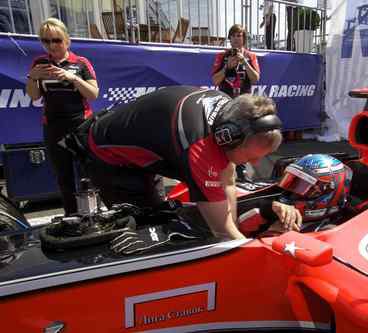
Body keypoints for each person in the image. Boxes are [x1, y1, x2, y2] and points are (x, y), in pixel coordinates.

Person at [65, 86, 301, 240]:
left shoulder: (230, 113)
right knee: (149, 233)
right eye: (251, 158)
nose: (255, 163)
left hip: (144, 148)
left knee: (166, 215)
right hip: (111, 160)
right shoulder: (201, 147)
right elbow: (222, 232)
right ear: (227, 137)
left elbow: (227, 179)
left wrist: (240, 222)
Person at [26, 18, 99, 216]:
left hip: (81, 125)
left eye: (56, 40)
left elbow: (93, 94)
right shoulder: (39, 63)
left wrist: (72, 77)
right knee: (63, 177)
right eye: (46, 41)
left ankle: (92, 216)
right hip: (53, 126)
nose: (52, 45)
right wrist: (32, 77)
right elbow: (34, 96)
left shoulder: (81, 62)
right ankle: (72, 217)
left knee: (88, 174)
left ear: (67, 41)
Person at [238, 154, 352, 237]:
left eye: (303, 187)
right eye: (293, 182)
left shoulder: (331, 231)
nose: (292, 193)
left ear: (327, 194)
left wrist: (274, 234)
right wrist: (266, 209)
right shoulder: (275, 210)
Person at [211, 24, 260, 98]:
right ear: (229, 39)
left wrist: (244, 62)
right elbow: (215, 81)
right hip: (225, 99)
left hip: (244, 100)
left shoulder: (251, 56)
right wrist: (226, 67)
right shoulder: (221, 56)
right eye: (233, 36)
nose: (236, 38)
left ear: (244, 39)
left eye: (239, 36)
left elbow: (255, 80)